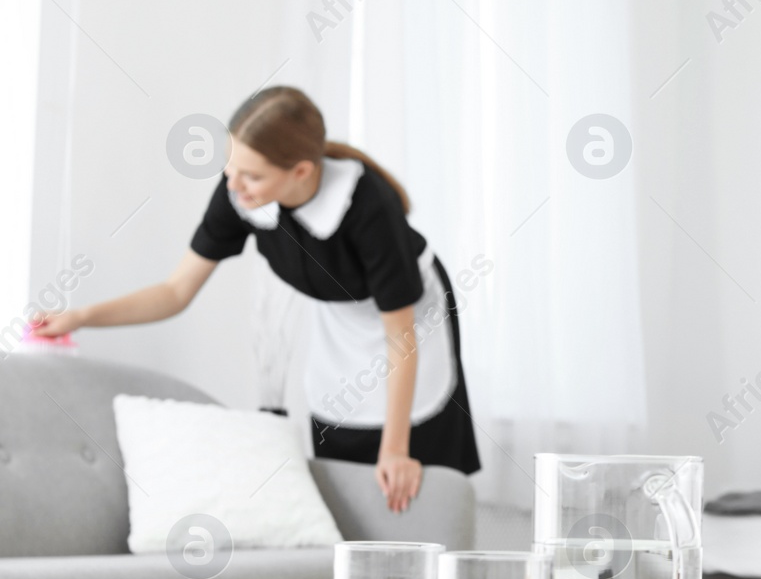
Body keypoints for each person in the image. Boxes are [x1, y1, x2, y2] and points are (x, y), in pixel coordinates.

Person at [36, 86, 481, 511]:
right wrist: (80, 316)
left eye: (251, 176)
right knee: (342, 444)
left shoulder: (367, 206)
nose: (235, 186)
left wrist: (397, 449)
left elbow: (400, 332)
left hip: (408, 320)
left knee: (408, 460)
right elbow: (176, 292)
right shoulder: (239, 191)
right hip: (341, 318)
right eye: (231, 170)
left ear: (301, 171)